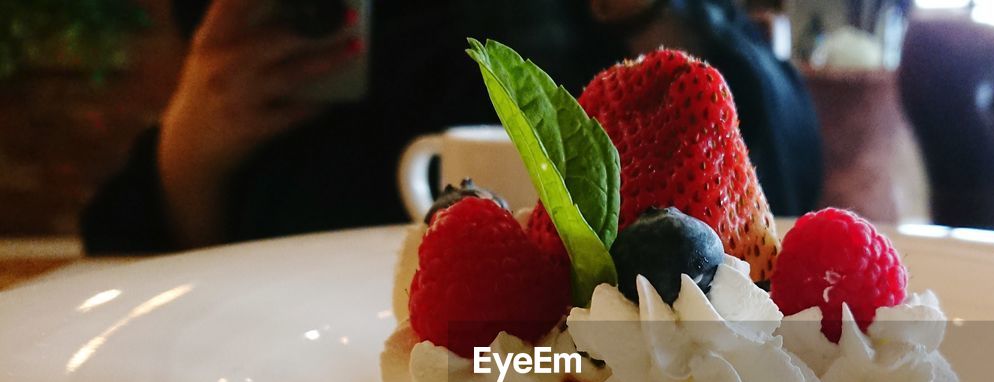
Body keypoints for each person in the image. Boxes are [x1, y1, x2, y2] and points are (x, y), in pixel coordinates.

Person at [81, 0, 822, 254]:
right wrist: (192, 143)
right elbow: (136, 256)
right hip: (262, 369)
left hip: (583, 366)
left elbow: (777, 188)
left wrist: (652, 15)